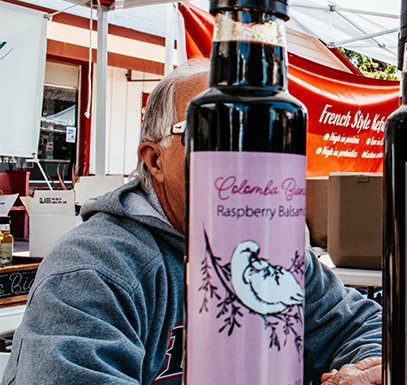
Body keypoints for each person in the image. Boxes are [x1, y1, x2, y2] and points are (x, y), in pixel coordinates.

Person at [1, 61, 383, 385]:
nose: (241, 157)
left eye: (255, 136)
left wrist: (365, 371)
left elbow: (361, 324)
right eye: (210, 133)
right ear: (154, 160)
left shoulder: (274, 248)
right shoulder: (94, 269)